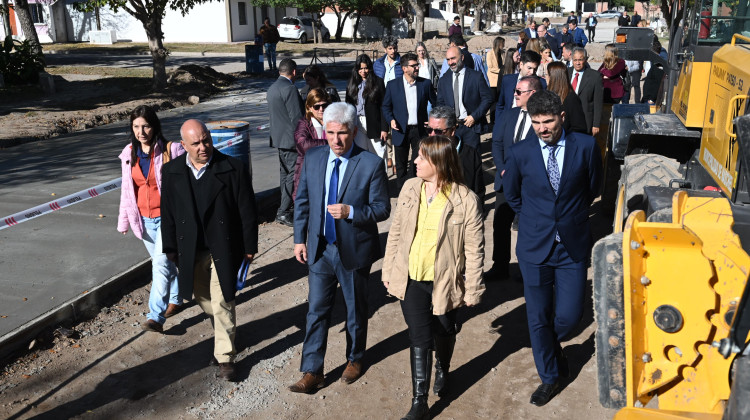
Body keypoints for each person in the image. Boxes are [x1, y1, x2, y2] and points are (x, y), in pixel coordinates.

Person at [503, 90, 602, 406]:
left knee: (570, 316)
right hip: (534, 247)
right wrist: (537, 219)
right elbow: (513, 196)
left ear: (562, 116)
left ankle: (550, 344)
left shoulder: (585, 147)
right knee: (538, 316)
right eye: (536, 122)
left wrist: (567, 218)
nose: (542, 128)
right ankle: (549, 376)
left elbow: (593, 187)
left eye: (548, 121)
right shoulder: (520, 153)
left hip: (571, 245)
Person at [290, 102, 390, 393]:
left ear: (354, 131)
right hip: (320, 249)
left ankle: (355, 358)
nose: (335, 140)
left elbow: (382, 208)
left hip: (353, 249)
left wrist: (352, 212)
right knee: (317, 310)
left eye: (342, 133)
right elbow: (304, 202)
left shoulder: (370, 164)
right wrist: (299, 239)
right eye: (330, 132)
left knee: (356, 309)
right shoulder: (314, 157)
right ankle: (312, 370)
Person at [382, 135, 484, 419]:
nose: (414, 161)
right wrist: (389, 270)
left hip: (445, 283)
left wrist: (474, 289)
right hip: (412, 279)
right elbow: (397, 232)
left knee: (445, 330)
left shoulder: (466, 200)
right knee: (419, 337)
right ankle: (419, 402)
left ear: (438, 162)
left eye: (421, 158)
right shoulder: (409, 188)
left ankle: (444, 367)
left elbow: (475, 251)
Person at [161, 119, 259, 381]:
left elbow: (247, 212)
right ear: (184, 146)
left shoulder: (232, 169)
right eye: (196, 143)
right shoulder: (171, 172)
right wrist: (170, 247)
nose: (203, 147)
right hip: (190, 250)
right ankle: (224, 329)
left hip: (224, 248)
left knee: (223, 298)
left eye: (207, 140)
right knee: (204, 299)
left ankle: (225, 357)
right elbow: (168, 213)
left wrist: (249, 247)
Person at [117, 105, 185, 333]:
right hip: (143, 221)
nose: (141, 131)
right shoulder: (129, 154)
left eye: (145, 125)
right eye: (136, 126)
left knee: (160, 265)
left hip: (168, 218)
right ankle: (176, 297)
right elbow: (127, 190)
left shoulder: (172, 150)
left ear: (154, 126)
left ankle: (155, 316)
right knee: (166, 264)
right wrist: (124, 220)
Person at [490, 76, 540, 279]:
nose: (515, 94)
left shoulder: (542, 120)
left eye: (520, 91)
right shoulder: (509, 115)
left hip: (528, 184)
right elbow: (497, 143)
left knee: (527, 228)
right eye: (516, 90)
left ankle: (524, 268)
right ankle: (499, 266)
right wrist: (502, 169)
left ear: (532, 94)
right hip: (505, 181)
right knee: (500, 225)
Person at [382, 52, 436, 190]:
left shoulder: (425, 84)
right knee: (400, 165)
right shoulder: (393, 85)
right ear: (404, 68)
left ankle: (414, 190)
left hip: (419, 130)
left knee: (416, 162)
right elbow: (386, 106)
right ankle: (402, 192)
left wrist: (431, 120)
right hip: (400, 130)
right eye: (413, 66)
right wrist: (391, 120)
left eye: (417, 65)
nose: (417, 68)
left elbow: (437, 104)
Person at [267, 58, 305, 227]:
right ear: (294, 72)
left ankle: (285, 208)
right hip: (291, 140)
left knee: (285, 175)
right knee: (293, 175)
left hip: (278, 139)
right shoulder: (290, 89)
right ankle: (283, 211)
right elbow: (297, 117)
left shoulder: (272, 88)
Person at [436, 46, 493, 149]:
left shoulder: (476, 77)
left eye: (453, 58)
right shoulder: (444, 79)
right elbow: (440, 103)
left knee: (471, 161)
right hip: (452, 128)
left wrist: (474, 116)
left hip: (471, 127)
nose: (450, 62)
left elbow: (487, 99)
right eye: (448, 59)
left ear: (462, 57)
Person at [427, 106, 484, 200]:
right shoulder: (421, 153)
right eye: (429, 130)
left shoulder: (471, 155)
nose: (432, 135)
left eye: (438, 131)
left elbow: (478, 192)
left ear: (452, 130)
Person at [346, 54, 389, 171]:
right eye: (360, 68)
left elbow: (383, 106)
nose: (363, 71)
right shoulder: (351, 83)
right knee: (360, 153)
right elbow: (348, 106)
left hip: (374, 123)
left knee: (379, 154)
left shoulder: (378, 82)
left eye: (365, 68)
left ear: (370, 68)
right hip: (357, 123)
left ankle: (382, 180)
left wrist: (384, 128)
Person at [293, 88, 331, 199]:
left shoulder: (333, 121)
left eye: (324, 105)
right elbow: (303, 144)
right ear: (309, 107)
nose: (321, 109)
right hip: (309, 170)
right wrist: (328, 142)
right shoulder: (304, 123)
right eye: (316, 106)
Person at [495, 50, 546, 121]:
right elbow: (500, 105)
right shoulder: (507, 80)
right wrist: (498, 123)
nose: (532, 72)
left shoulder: (542, 83)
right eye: (529, 68)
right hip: (508, 121)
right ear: (521, 64)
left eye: (535, 69)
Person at [568, 47, 603, 136]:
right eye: (575, 60)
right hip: (568, 119)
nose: (577, 63)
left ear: (586, 59)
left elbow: (598, 102)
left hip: (585, 120)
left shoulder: (595, 76)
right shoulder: (566, 72)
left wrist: (596, 124)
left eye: (580, 60)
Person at [546, 62, 588, 134]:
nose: (545, 77)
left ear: (553, 78)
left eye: (546, 75)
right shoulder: (548, 96)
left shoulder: (571, 99)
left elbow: (579, 127)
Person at [487, 36, 506, 125]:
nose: (504, 45)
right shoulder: (490, 54)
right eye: (503, 44)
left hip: (501, 80)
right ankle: (492, 120)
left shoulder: (502, 53)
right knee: (493, 101)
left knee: (500, 100)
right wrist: (501, 71)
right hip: (493, 81)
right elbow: (490, 68)